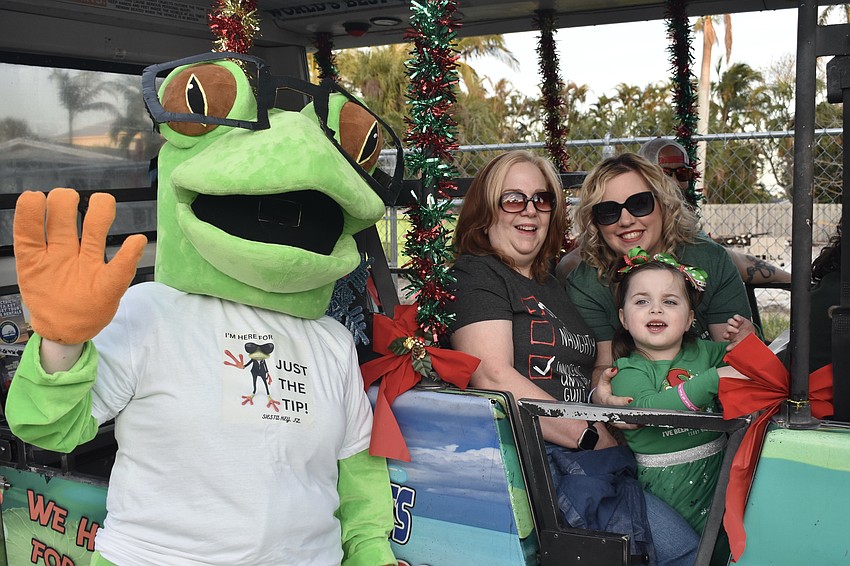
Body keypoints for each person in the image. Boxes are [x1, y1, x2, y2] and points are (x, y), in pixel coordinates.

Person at [446, 150, 699, 566]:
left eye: (541, 200)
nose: (529, 211)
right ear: (485, 212)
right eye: (513, 199)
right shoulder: (479, 273)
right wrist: (587, 433)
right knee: (681, 552)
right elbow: (490, 374)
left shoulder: (552, 283)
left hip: (593, 453)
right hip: (544, 460)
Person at [565, 153, 754, 397]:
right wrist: (603, 395)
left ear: (663, 204)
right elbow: (604, 366)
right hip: (637, 403)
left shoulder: (708, 260)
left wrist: (747, 341)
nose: (626, 220)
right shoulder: (588, 283)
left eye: (639, 204)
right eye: (608, 211)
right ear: (595, 222)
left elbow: (729, 356)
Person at [609, 247, 753, 536]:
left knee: (722, 545)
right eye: (642, 301)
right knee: (684, 548)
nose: (656, 309)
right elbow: (650, 409)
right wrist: (713, 380)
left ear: (689, 319)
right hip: (666, 485)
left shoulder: (705, 353)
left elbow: (749, 366)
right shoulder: (627, 371)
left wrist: (748, 339)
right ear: (624, 319)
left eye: (670, 301)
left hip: (717, 475)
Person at [637, 138, 791, 286]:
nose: (675, 182)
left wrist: (792, 279)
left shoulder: (686, 231)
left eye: (683, 173)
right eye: (666, 173)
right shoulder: (631, 222)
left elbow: (731, 260)